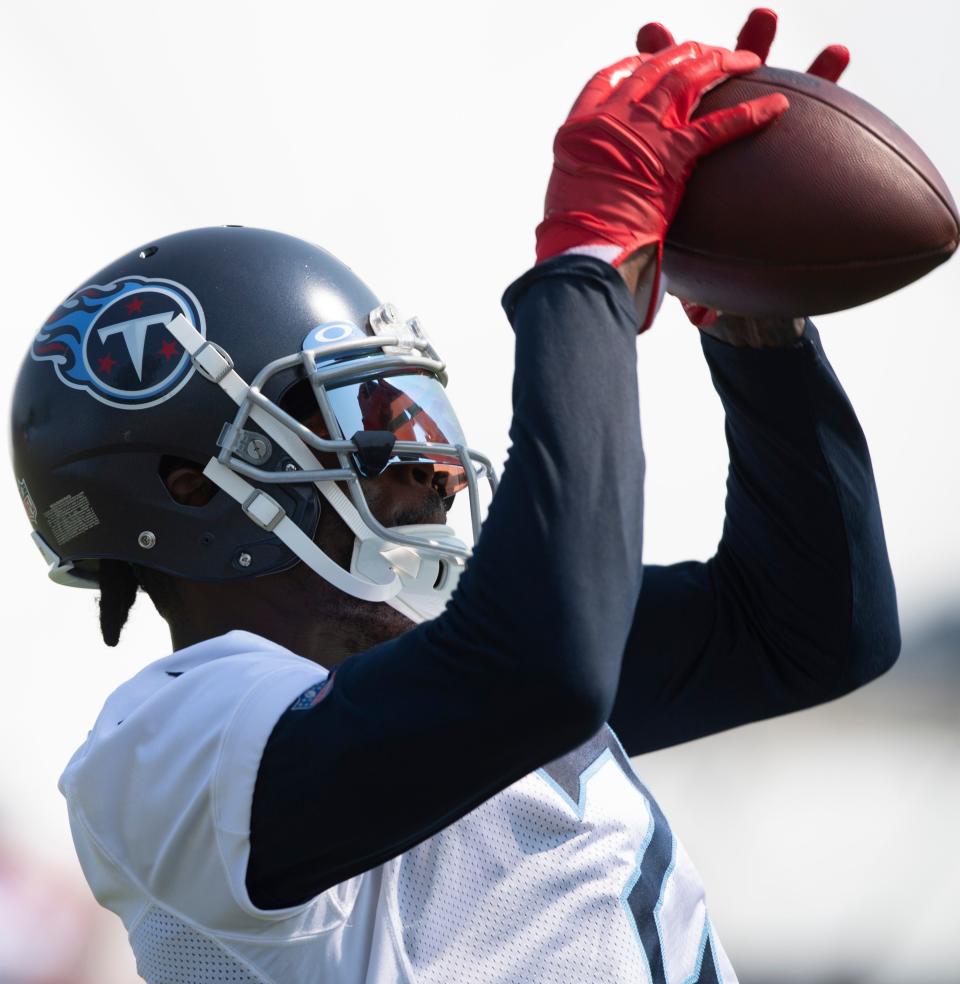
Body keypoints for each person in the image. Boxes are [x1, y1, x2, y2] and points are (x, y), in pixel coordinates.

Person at [10, 10, 900, 983]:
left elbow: (810, 627)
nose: (425, 459)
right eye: (362, 413)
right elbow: (539, 666)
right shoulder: (154, 752)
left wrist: (750, 326)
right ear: (189, 485)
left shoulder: (441, 654)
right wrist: (587, 266)